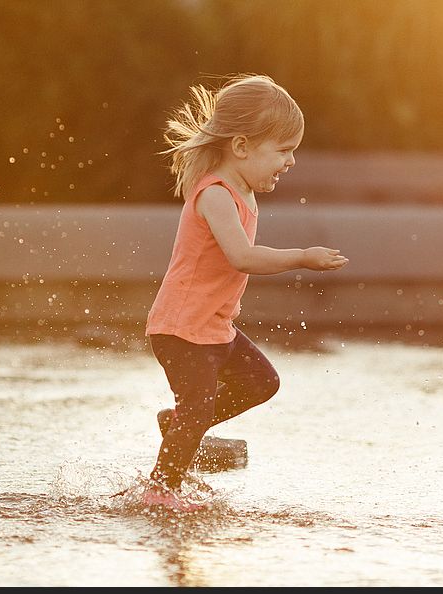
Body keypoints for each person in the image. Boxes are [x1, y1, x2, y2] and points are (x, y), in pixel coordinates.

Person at [144, 74, 349, 511]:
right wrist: (301, 257)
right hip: (182, 329)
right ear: (241, 146)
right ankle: (160, 491)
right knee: (198, 408)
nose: (290, 161)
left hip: (214, 327)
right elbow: (242, 256)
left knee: (261, 382)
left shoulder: (243, 191)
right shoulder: (216, 195)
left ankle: (179, 425)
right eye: (283, 150)